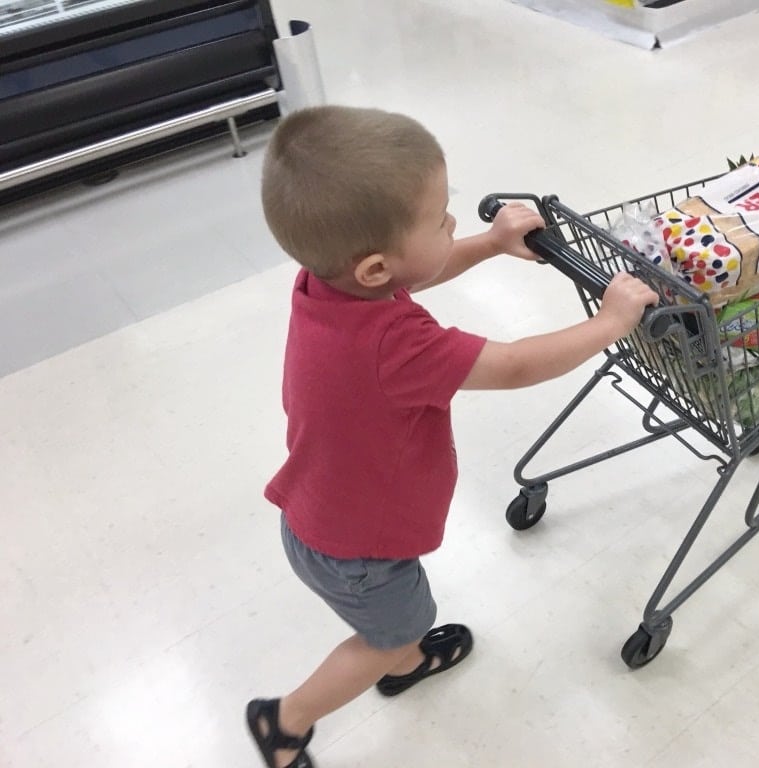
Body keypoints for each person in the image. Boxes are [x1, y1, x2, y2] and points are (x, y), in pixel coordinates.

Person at [246, 105, 658, 768]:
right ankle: (287, 720)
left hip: (323, 517)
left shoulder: (327, 284)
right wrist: (611, 323)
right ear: (376, 268)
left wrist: (493, 243)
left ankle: (404, 656)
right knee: (387, 631)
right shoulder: (397, 346)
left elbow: (417, 268)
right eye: (441, 219)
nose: (451, 225)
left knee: (398, 621)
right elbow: (517, 364)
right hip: (359, 551)